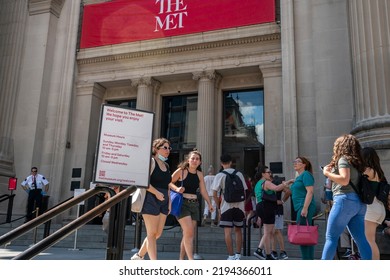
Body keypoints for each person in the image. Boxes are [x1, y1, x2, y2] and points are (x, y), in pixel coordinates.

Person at [321, 134, 372, 260]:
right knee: (361, 239)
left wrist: (327, 172)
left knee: (331, 238)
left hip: (344, 200)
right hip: (359, 203)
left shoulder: (343, 160)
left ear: (340, 147)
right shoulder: (357, 163)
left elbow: (344, 180)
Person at [130, 138, 172, 260]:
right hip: (150, 198)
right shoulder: (151, 162)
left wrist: (169, 202)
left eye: (169, 148)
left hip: (164, 200)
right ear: (155, 149)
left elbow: (167, 185)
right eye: (164, 147)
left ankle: (139, 256)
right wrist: (156, 193)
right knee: (151, 234)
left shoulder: (166, 165)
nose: (167, 150)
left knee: (157, 233)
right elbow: (143, 181)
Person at [170, 150, 214, 260]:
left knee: (188, 234)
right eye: (193, 158)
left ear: (200, 162)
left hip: (194, 205)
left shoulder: (199, 174)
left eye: (197, 159)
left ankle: (181, 260)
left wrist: (209, 203)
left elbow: (203, 191)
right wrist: (177, 188)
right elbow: (168, 182)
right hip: (182, 204)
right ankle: (191, 260)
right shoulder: (181, 171)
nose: (195, 161)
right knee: (189, 232)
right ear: (188, 160)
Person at [211, 154, 247, 260]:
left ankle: (231, 256)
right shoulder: (239, 174)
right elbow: (244, 192)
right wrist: (243, 206)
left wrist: (218, 207)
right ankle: (238, 255)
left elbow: (214, 193)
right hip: (239, 206)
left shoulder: (220, 175)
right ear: (231, 162)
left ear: (221, 163)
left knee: (227, 231)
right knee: (238, 230)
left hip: (226, 206)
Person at [253, 165, 292, 260]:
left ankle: (265, 253)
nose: (270, 174)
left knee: (267, 232)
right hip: (266, 206)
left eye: (270, 172)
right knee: (268, 232)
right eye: (268, 172)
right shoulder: (265, 182)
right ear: (263, 174)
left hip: (261, 206)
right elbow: (277, 188)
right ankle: (266, 253)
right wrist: (288, 182)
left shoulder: (258, 183)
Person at [288, 156, 316, 260]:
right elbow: (294, 191)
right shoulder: (299, 177)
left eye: (298, 161)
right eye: (294, 161)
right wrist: (289, 183)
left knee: (303, 234)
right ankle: (308, 259)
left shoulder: (306, 174)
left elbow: (310, 191)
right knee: (305, 234)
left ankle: (306, 260)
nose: (295, 163)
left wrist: (305, 208)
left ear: (304, 164)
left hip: (304, 206)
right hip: (300, 206)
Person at [361, 147, 387, 259]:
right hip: (379, 208)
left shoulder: (368, 170)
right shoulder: (378, 171)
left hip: (371, 208)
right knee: (371, 240)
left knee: (369, 240)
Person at [270, 175, 291, 260]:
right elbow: (288, 191)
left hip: (275, 209)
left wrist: (282, 201)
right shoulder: (277, 183)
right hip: (277, 209)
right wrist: (282, 201)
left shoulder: (273, 183)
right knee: (274, 231)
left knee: (276, 231)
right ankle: (275, 251)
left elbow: (288, 191)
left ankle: (280, 251)